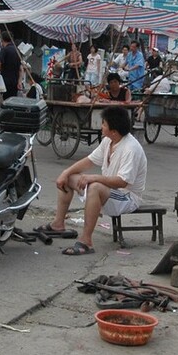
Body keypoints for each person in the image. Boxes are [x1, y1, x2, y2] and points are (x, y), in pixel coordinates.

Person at [39, 106, 147, 256]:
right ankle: (58, 224)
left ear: (114, 131)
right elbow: (89, 161)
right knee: (69, 178)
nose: (101, 126)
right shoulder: (108, 141)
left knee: (95, 187)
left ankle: (86, 242)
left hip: (127, 197)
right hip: (110, 191)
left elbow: (122, 182)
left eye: (104, 124)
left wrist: (94, 177)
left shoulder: (131, 148)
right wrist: (66, 172)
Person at [0, 31, 22, 99]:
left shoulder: (5, 50)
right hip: (15, 82)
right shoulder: (17, 50)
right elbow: (20, 69)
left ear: (2, 39)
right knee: (12, 101)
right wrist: (19, 81)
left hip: (5, 82)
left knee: (5, 101)